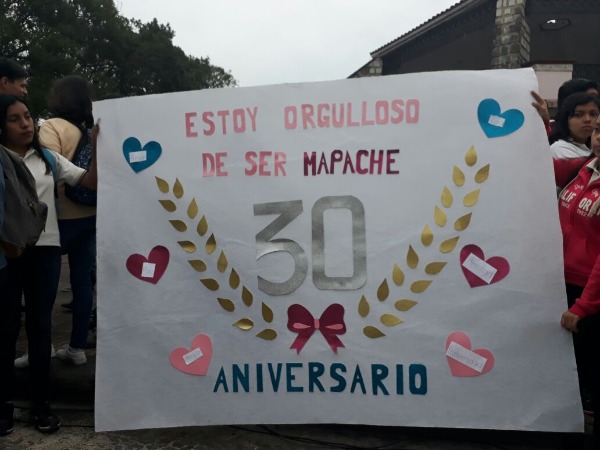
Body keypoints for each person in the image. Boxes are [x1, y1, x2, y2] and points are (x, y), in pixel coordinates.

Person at [0, 94, 98, 434]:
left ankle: (41, 406)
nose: (26, 124)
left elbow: (89, 181)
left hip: (44, 251)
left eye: (28, 116)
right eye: (14, 119)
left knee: (40, 328)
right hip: (7, 252)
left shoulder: (47, 158)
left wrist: (96, 145)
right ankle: (4, 407)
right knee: (6, 327)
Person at [39, 75, 97, 365]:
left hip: (60, 218)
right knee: (83, 284)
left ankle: (42, 347)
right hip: (91, 215)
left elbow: (46, 170)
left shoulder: (52, 127)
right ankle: (77, 349)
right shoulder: (92, 131)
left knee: (44, 286)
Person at [554, 113, 600, 447]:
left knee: (592, 372)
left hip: (591, 297)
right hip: (566, 285)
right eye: (599, 130)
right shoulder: (582, 169)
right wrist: (533, 122)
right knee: (576, 372)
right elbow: (530, 162)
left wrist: (584, 306)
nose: (599, 137)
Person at [548, 92, 600, 159]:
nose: (587, 119)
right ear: (566, 119)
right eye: (578, 115)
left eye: (593, 114)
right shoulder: (560, 148)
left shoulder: (591, 146)